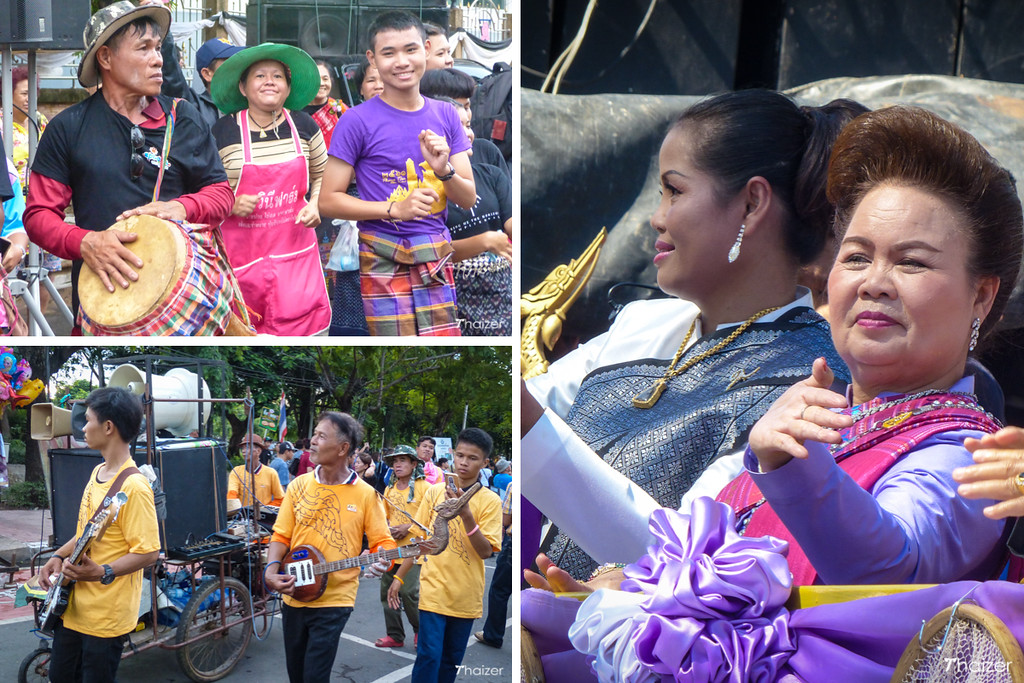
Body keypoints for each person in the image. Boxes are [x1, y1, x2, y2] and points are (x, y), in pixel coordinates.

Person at [525, 104, 1023, 682]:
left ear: (982, 298)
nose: (873, 282)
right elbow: (715, 582)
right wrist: (632, 601)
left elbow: (893, 569)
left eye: (911, 262)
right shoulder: (813, 422)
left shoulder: (969, 453)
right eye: (856, 257)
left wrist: (795, 467)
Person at [521, 90, 865, 580]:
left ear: (750, 204)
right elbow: (525, 412)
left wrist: (529, 423)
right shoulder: (641, 322)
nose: (656, 217)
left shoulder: (814, 381)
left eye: (674, 191)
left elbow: (679, 554)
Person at [23, 1, 234, 323]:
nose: (158, 59)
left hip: (187, 295)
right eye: (143, 48)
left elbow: (220, 193)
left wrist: (179, 208)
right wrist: (85, 241)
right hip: (104, 296)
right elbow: (38, 215)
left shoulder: (183, 117)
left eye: (159, 48)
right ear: (106, 57)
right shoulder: (67, 127)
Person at [319, 10, 475, 336]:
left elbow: (467, 197)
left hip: (435, 253)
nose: (401, 61)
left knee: (442, 349)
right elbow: (328, 201)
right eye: (389, 53)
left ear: (427, 49)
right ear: (372, 58)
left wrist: (443, 169)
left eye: (410, 49)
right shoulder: (356, 121)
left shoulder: (447, 115)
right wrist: (394, 210)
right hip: (381, 251)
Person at [35, 387, 159, 683]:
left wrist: (101, 571)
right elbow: (85, 532)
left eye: (88, 420)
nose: (83, 427)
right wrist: (58, 555)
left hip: (105, 618)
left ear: (108, 427)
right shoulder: (97, 473)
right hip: (72, 606)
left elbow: (149, 552)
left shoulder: (136, 488)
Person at [264, 412, 396, 682]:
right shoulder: (298, 485)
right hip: (294, 593)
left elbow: (383, 542)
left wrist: (384, 559)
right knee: (296, 673)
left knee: (315, 676)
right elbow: (281, 535)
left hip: (335, 599)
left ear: (343, 448)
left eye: (321, 436)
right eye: (314, 434)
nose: (312, 441)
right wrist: (270, 570)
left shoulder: (366, 494)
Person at [210, 43, 331, 336]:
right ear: (242, 87)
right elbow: (206, 189)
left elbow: (324, 177)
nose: (269, 82)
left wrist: (315, 204)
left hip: (296, 257)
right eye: (259, 76)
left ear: (288, 88)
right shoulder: (223, 131)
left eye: (277, 76)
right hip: (241, 262)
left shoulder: (305, 125)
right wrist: (229, 202)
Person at [388, 428, 502, 683]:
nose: (463, 462)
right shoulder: (434, 492)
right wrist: (399, 577)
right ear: (452, 454)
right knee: (428, 655)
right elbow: (419, 541)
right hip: (433, 590)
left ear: (485, 463)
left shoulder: (490, 501)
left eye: (472, 458)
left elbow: (486, 552)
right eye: (460, 455)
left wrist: (466, 514)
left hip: (465, 595)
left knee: (450, 660)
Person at [430, 96, 512, 336]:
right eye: (459, 128)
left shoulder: (491, 174)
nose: (469, 134)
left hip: (503, 289)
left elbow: (512, 224)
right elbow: (432, 251)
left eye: (468, 125)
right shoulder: (424, 188)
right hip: (456, 297)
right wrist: (484, 241)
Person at [375, 444, 430, 648]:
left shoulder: (425, 488)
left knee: (408, 593)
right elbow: (383, 516)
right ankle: (395, 635)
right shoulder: (389, 488)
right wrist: (389, 529)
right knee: (387, 592)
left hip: (416, 551)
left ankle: (419, 631)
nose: (397, 465)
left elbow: (432, 519)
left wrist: (408, 527)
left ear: (414, 463)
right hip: (392, 550)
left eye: (402, 461)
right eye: (395, 461)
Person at [420, 68, 509, 178]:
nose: (464, 114)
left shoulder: (487, 152)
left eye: (466, 107)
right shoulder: (420, 155)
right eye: (453, 109)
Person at [162, 36, 243, 130]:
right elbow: (171, 75)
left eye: (237, 63)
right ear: (207, 74)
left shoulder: (249, 104)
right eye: (229, 64)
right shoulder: (195, 106)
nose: (236, 69)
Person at [475, 479, 513, 649]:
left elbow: (505, 520)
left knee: (500, 590)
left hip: (514, 543)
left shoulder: (515, 485)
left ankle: (493, 634)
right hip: (533, 541)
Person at [227, 432, 285, 509]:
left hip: (263, 518)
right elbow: (232, 495)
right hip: (241, 517)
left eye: (247, 447)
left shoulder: (271, 473)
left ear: (258, 451)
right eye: (243, 448)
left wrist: (264, 509)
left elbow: (280, 499)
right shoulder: (236, 471)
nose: (244, 451)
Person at [303, 60, 348, 148]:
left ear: (331, 81)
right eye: (315, 79)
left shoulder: (340, 108)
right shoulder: (296, 111)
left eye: (325, 79)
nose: (321, 83)